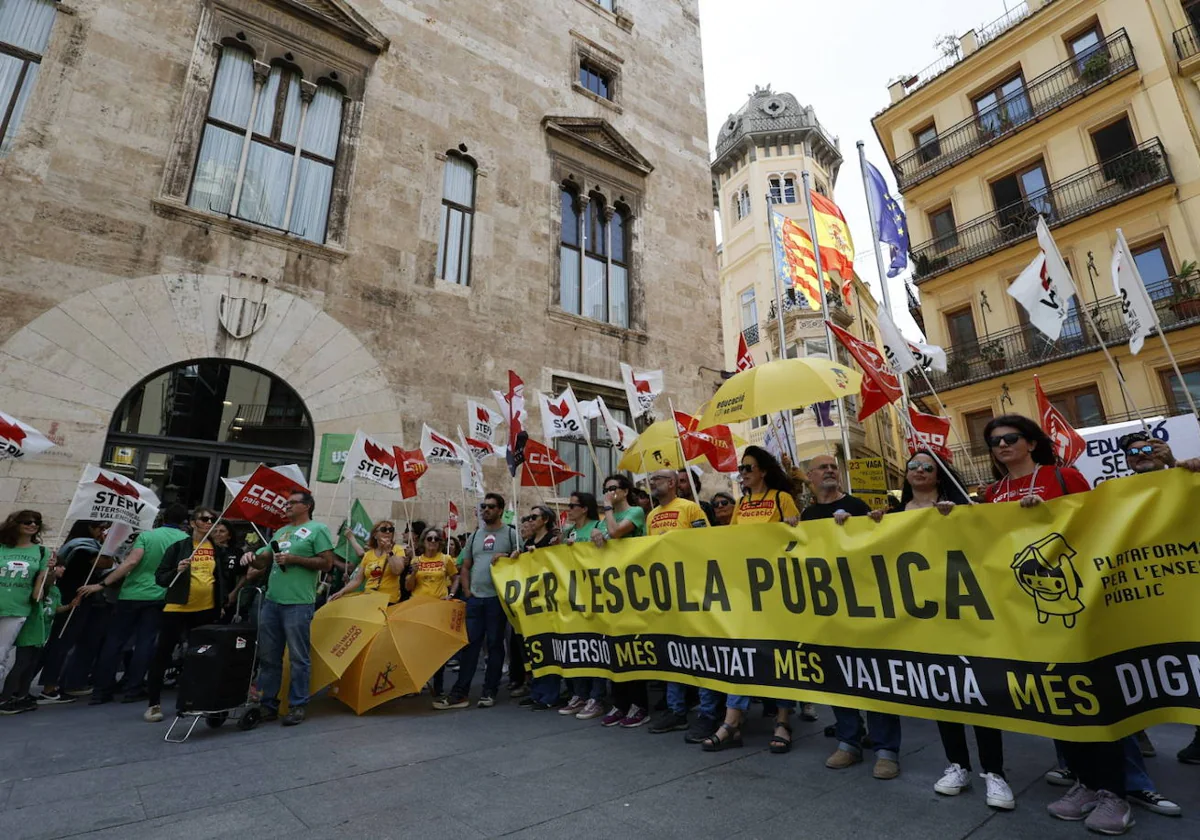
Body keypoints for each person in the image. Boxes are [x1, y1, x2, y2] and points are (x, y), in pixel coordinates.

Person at [979, 414, 1130, 833]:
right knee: (1056, 698)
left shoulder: (1063, 477)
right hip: (1024, 614)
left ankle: (1115, 794)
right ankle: (1084, 782)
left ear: (1031, 442)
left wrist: (1047, 516)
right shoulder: (992, 492)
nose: (1002, 446)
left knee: (1094, 697)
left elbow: (1093, 526)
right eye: (994, 442)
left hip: (1078, 608)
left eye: (1010, 438)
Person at [869, 452, 1015, 806]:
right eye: (913, 467)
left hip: (964, 613)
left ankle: (994, 773)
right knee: (943, 693)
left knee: (977, 691)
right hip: (920, 617)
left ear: (939, 474)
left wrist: (961, 518)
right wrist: (862, 523)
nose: (919, 471)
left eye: (926, 466)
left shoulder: (960, 506)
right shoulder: (892, 515)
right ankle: (958, 765)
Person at [802, 454, 902, 781]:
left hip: (864, 605)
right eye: (823, 468)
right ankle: (849, 742)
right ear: (810, 477)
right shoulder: (808, 514)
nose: (830, 471)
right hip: (828, 609)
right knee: (838, 675)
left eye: (833, 466)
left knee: (873, 673)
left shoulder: (858, 505)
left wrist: (872, 523)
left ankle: (886, 749)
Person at [702, 446, 801, 754]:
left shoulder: (780, 499)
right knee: (738, 654)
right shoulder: (742, 503)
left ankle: (783, 720)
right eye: (741, 469)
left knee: (778, 655)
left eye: (747, 468)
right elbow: (731, 541)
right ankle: (732, 722)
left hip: (775, 590)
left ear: (763, 472)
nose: (742, 473)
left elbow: (798, 538)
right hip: (744, 591)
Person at [82, 503, 190, 705]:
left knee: (115, 641)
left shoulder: (148, 536)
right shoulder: (186, 540)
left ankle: (101, 690)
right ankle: (133, 688)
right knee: (145, 642)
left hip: (131, 593)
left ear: (163, 518)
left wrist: (103, 584)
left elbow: (130, 562)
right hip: (160, 594)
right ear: (185, 522)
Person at [244, 490, 335, 726]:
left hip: (298, 603)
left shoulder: (318, 529)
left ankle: (298, 705)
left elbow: (327, 563)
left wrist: (296, 559)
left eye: (292, 503)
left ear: (306, 506)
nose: (286, 506)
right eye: (286, 503)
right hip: (273, 602)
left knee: (298, 657)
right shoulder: (281, 531)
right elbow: (264, 559)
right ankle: (267, 705)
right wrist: (251, 558)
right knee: (269, 657)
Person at [641, 470, 721, 739]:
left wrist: (674, 540)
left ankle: (708, 712)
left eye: (658, 479)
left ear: (673, 483)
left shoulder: (691, 509)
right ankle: (676, 711)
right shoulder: (651, 516)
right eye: (652, 480)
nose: (653, 482)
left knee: (700, 654)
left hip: (694, 591)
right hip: (667, 593)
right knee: (673, 653)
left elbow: (706, 544)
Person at [144, 508, 234, 723]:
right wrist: (177, 570)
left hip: (206, 609)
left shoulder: (217, 549)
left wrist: (221, 603)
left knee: (202, 655)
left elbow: (222, 577)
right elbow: (160, 578)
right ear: (193, 523)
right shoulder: (179, 547)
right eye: (204, 519)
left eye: (213, 520)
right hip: (177, 609)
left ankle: (196, 699)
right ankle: (153, 703)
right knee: (163, 654)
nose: (209, 522)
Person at [433, 493, 519, 710]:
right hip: (475, 599)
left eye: (490, 506)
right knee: (470, 645)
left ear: (500, 510)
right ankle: (460, 692)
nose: (486, 510)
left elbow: (523, 561)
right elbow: (465, 565)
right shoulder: (475, 536)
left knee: (495, 645)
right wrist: (467, 590)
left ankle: (489, 690)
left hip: (497, 599)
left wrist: (509, 557)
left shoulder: (510, 534)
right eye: (483, 506)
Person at [589, 475, 650, 727]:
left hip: (633, 589)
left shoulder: (635, 512)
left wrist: (605, 512)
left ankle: (639, 705)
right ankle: (620, 702)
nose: (608, 493)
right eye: (605, 490)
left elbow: (614, 532)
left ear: (625, 491)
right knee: (613, 649)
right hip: (610, 592)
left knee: (631, 649)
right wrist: (594, 531)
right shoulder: (607, 519)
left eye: (613, 489)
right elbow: (601, 539)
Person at [36, 520, 110, 704]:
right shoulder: (83, 547)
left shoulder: (75, 544)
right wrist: (109, 544)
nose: (102, 531)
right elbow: (106, 563)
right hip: (74, 597)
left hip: (72, 595)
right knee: (62, 641)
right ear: (89, 528)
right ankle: (49, 688)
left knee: (58, 642)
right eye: (100, 528)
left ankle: (36, 684)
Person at [558, 492, 606, 721]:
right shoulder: (568, 532)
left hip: (596, 595)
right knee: (577, 646)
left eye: (572, 505)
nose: (569, 509)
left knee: (595, 647)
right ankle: (580, 694)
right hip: (573, 596)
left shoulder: (598, 526)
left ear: (585, 508)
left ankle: (596, 697)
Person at [0, 557, 69, 714]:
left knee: (31, 666)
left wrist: (71, 606)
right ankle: (5, 698)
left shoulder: (55, 590)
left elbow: (55, 607)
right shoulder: (37, 587)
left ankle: (22, 696)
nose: (61, 569)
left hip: (42, 633)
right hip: (30, 630)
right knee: (21, 664)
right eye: (59, 566)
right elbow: (38, 595)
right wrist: (47, 570)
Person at [405, 525, 459, 698]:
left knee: (438, 649)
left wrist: (451, 594)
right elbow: (409, 587)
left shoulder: (446, 559)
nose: (433, 542)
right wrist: (413, 574)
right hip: (418, 607)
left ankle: (439, 685)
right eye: (430, 538)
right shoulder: (415, 560)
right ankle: (417, 684)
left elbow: (455, 577)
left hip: (439, 608)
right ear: (423, 541)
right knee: (418, 648)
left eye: (436, 539)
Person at [517, 507, 562, 711]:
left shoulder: (553, 540)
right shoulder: (528, 543)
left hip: (550, 601)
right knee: (534, 648)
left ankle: (550, 694)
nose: (530, 520)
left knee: (548, 646)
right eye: (529, 517)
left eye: (533, 517)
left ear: (545, 520)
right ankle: (537, 691)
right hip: (532, 602)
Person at [0, 509, 51, 688]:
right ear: (16, 524)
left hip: (17, 607)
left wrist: (49, 573)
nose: (32, 525)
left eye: (36, 522)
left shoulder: (43, 552)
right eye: (27, 522)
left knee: (1, 652)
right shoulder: (2, 546)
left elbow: (40, 585)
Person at [330, 520, 407, 605]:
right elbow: (357, 580)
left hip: (388, 601)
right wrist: (342, 592)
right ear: (375, 535)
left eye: (391, 529)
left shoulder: (397, 549)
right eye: (384, 529)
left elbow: (397, 571)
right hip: (369, 599)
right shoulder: (368, 554)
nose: (388, 532)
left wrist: (389, 552)